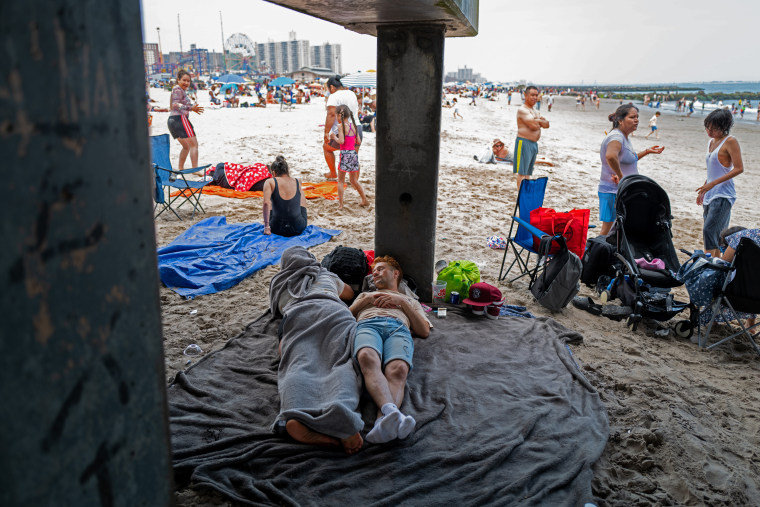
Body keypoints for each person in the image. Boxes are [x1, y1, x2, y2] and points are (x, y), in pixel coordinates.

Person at [269, 247, 362, 454]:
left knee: (297, 363)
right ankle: (343, 417)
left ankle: (296, 413)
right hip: (334, 312)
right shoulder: (325, 274)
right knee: (340, 362)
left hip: (299, 316)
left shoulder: (280, 283)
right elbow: (349, 293)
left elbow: (275, 310)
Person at [350, 256, 431, 443]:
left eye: (380, 269)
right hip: (368, 325)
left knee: (399, 370)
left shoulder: (410, 300)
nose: (375, 273)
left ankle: (382, 422)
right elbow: (344, 316)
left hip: (398, 328)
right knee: (367, 357)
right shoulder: (364, 296)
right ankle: (389, 414)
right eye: (373, 271)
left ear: (396, 274)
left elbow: (423, 331)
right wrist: (366, 300)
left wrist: (401, 303)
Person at [598, 104, 665, 235]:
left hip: (621, 192)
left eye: (637, 117)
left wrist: (647, 152)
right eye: (632, 117)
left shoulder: (623, 137)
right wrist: (621, 176)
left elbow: (628, 159)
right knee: (607, 231)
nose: (636, 120)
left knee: (617, 231)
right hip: (612, 191)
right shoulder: (616, 137)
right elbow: (611, 156)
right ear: (620, 120)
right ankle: (595, 253)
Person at [697, 109, 744, 257]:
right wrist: (704, 188)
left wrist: (713, 184)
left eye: (714, 128)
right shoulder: (711, 141)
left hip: (723, 194)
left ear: (724, 127)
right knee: (715, 234)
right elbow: (713, 170)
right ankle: (716, 264)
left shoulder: (730, 141)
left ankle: (709, 264)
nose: (709, 131)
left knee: (709, 231)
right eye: (708, 127)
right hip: (710, 193)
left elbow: (739, 168)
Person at [330, 104, 368, 208]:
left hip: (345, 154)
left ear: (339, 116)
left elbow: (341, 141)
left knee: (341, 181)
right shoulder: (354, 126)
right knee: (354, 180)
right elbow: (358, 141)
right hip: (353, 154)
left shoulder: (340, 126)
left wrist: (334, 137)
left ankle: (341, 205)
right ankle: (364, 199)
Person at [513, 85, 550, 190]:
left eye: (536, 95)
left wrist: (536, 120)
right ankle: (521, 198)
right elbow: (533, 126)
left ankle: (526, 195)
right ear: (525, 95)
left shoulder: (535, 111)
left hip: (533, 144)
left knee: (528, 173)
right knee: (522, 173)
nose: (535, 97)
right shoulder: (522, 110)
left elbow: (547, 125)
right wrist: (539, 121)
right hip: (523, 142)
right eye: (532, 95)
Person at [323, 76, 360, 180]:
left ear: (332, 87)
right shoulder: (352, 94)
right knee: (354, 154)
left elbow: (331, 114)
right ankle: (355, 180)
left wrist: (326, 133)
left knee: (327, 148)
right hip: (356, 128)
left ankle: (333, 173)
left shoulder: (334, 96)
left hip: (342, 130)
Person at [262, 156, 308, 237]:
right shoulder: (297, 181)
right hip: (298, 227)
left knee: (271, 198)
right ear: (287, 171)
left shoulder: (270, 182)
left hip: (276, 228)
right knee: (300, 191)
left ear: (273, 173)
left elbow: (266, 203)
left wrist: (266, 227)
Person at [168, 69, 204, 170]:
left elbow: (173, 105)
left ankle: (181, 169)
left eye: (188, 81)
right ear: (178, 80)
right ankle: (195, 169)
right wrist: (191, 108)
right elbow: (175, 105)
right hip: (179, 119)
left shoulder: (178, 90)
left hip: (172, 121)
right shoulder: (177, 89)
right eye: (184, 80)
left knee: (186, 147)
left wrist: (192, 107)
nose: (186, 83)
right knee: (194, 145)